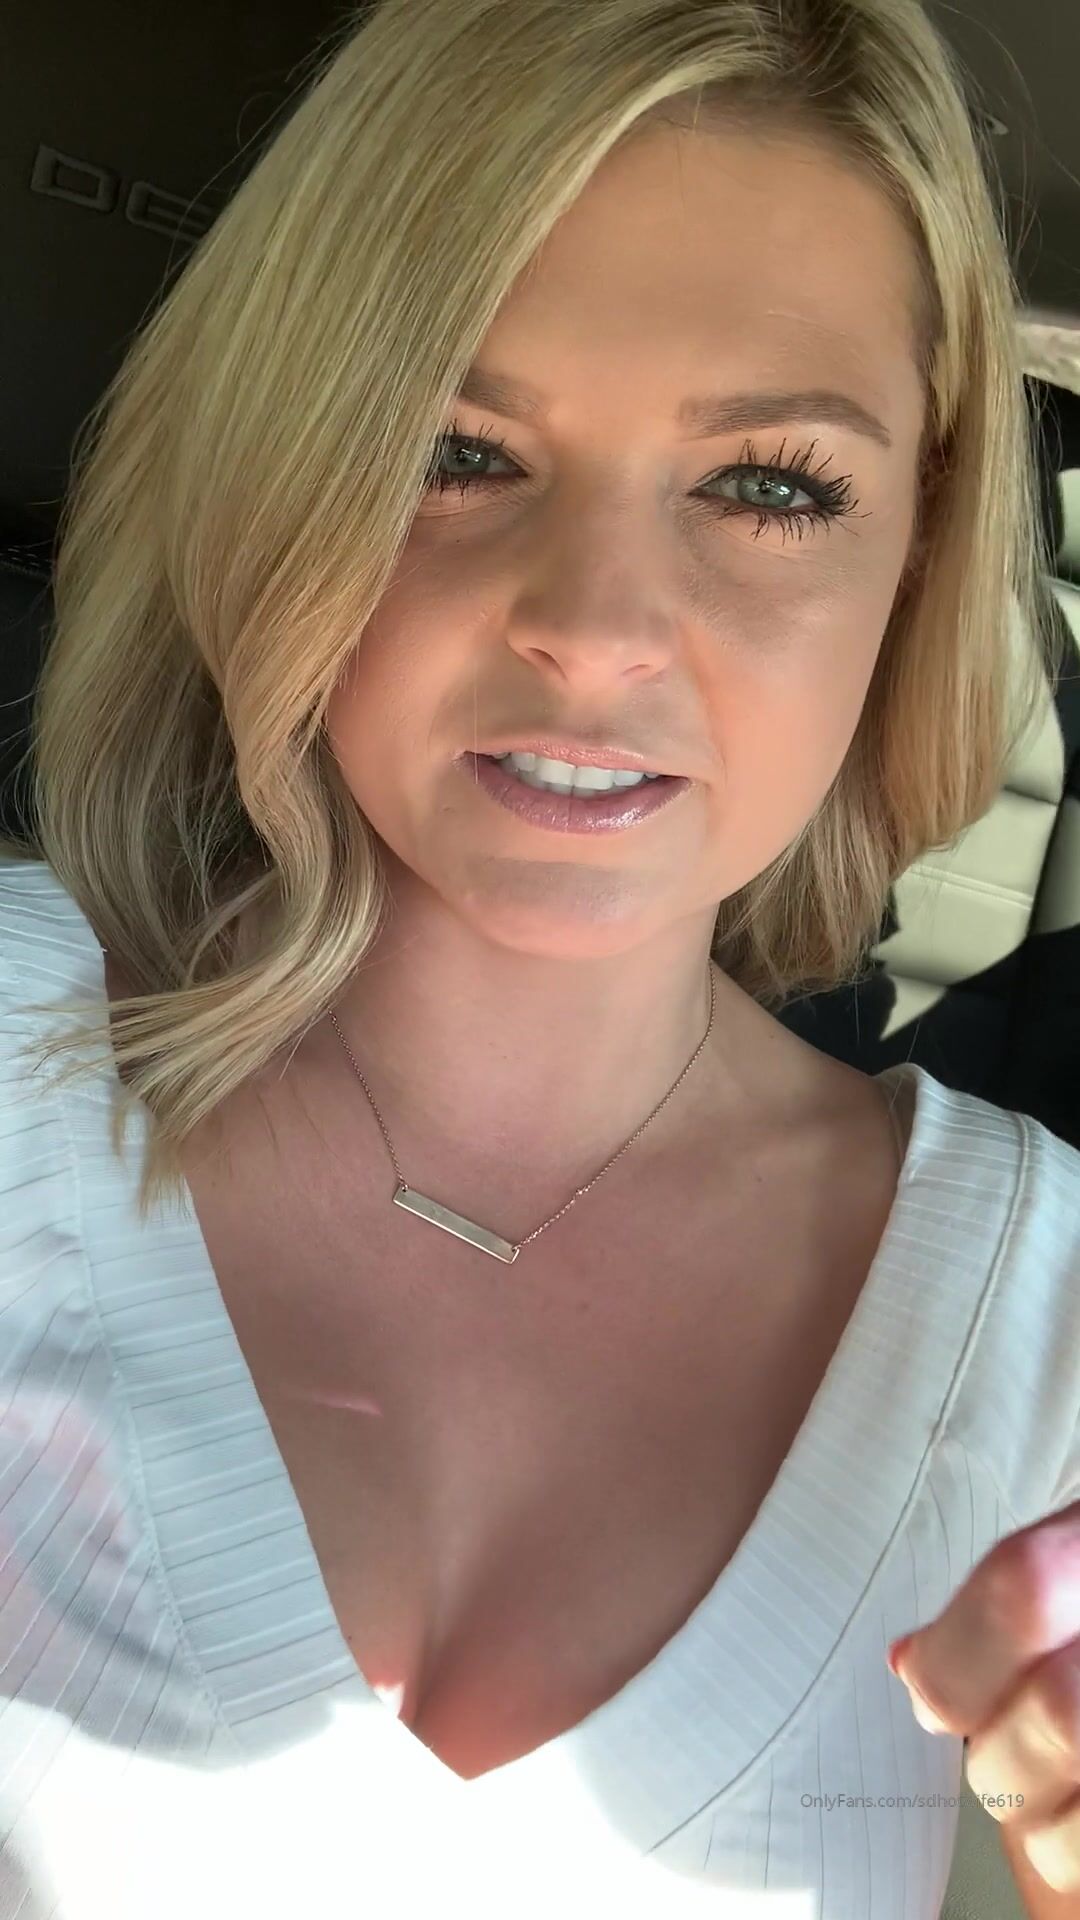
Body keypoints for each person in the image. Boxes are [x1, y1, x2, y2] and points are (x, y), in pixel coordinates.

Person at [0, 0, 1078, 1913]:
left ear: (915, 557)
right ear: (281, 481)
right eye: (457, 449)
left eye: (770, 485)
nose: (595, 626)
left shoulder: (1047, 1329)